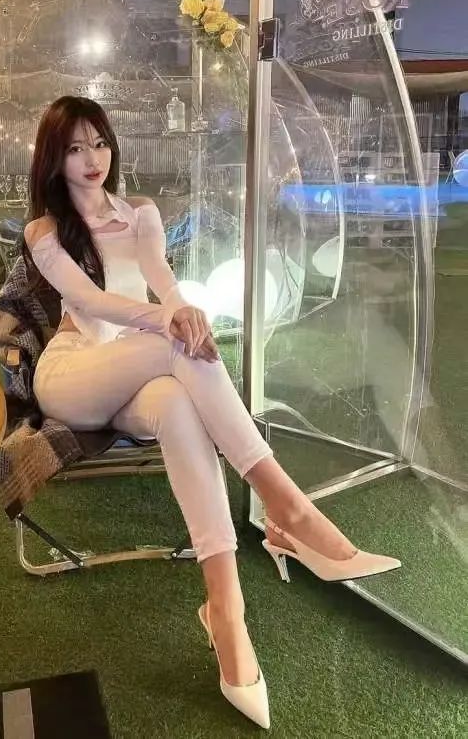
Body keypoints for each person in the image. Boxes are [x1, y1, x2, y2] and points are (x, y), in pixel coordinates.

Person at [23, 95, 400, 730]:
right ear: (54, 160)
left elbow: (161, 276)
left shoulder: (141, 212)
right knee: (177, 345)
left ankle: (226, 612)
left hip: (141, 375)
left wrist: (182, 308)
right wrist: (168, 320)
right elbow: (92, 301)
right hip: (75, 374)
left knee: (177, 400)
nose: (93, 159)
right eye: (76, 148)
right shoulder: (45, 231)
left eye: (100, 143)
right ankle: (289, 508)